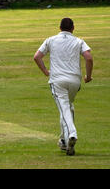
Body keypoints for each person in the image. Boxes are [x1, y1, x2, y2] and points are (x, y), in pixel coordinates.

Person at [33, 17, 93, 156]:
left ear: (59, 28)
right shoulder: (79, 41)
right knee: (68, 107)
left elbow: (37, 57)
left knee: (64, 108)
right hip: (75, 82)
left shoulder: (51, 40)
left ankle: (71, 134)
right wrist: (88, 77)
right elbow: (89, 57)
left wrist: (46, 72)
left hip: (58, 81)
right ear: (73, 28)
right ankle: (64, 140)